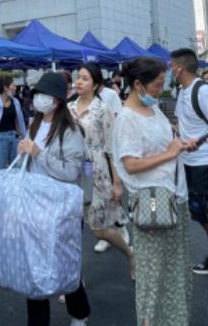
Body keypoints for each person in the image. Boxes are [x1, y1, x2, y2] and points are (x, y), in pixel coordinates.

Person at [111, 59, 195, 326]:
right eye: (158, 84)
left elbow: (163, 144)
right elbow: (131, 164)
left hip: (173, 198)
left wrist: (181, 144)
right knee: (153, 275)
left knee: (175, 270)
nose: (161, 89)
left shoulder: (153, 109)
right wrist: (169, 153)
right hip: (154, 203)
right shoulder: (127, 118)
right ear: (138, 85)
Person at [17, 72, 90, 326]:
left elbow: (71, 172)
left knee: (66, 265)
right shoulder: (33, 125)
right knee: (33, 268)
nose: (38, 99)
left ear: (57, 100)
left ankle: (79, 314)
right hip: (34, 206)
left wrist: (38, 153)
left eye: (43, 95)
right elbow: (29, 164)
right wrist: (24, 154)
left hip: (62, 209)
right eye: (36, 94)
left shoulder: (71, 130)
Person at [170, 48, 208, 275]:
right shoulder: (182, 91)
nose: (169, 71)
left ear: (179, 69)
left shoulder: (203, 91)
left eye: (171, 66)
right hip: (188, 161)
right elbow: (181, 124)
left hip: (205, 162)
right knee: (199, 212)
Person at [68, 64, 133, 268]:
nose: (79, 81)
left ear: (96, 85)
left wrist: (117, 183)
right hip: (72, 172)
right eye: (78, 77)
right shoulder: (68, 108)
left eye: (85, 78)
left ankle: (130, 253)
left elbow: (112, 148)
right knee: (72, 226)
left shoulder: (103, 109)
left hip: (96, 171)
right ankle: (73, 276)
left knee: (99, 229)